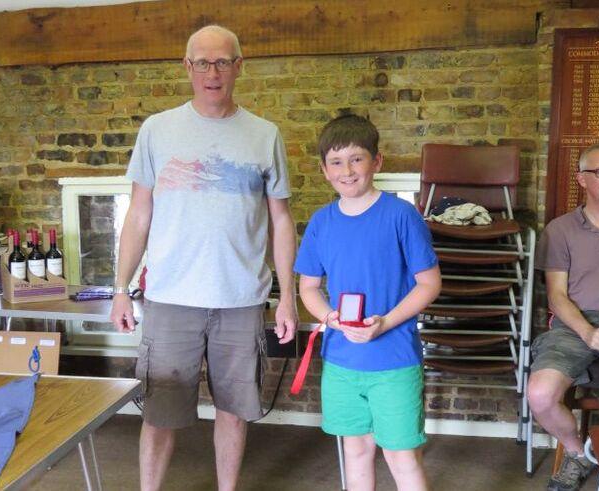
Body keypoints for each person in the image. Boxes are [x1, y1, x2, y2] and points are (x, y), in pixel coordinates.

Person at [109, 25, 297, 491]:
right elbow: (138, 214)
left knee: (234, 412)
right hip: (170, 297)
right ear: (186, 68)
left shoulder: (264, 135)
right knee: (160, 413)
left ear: (239, 66)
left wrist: (288, 297)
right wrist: (119, 289)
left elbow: (282, 221)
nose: (212, 73)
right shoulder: (157, 130)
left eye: (222, 62)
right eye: (202, 63)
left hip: (240, 299)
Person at [294, 114, 441, 491]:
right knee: (355, 452)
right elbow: (308, 287)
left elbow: (429, 284)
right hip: (342, 362)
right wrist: (331, 318)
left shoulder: (401, 215)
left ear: (377, 162)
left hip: (393, 361)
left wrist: (386, 323)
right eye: (337, 162)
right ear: (325, 170)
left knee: (401, 456)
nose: (347, 170)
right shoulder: (321, 222)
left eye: (357, 158)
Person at [528, 143, 599, 491]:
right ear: (582, 178)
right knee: (540, 395)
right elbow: (557, 296)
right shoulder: (561, 229)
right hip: (573, 325)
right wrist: (587, 332)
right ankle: (578, 453)